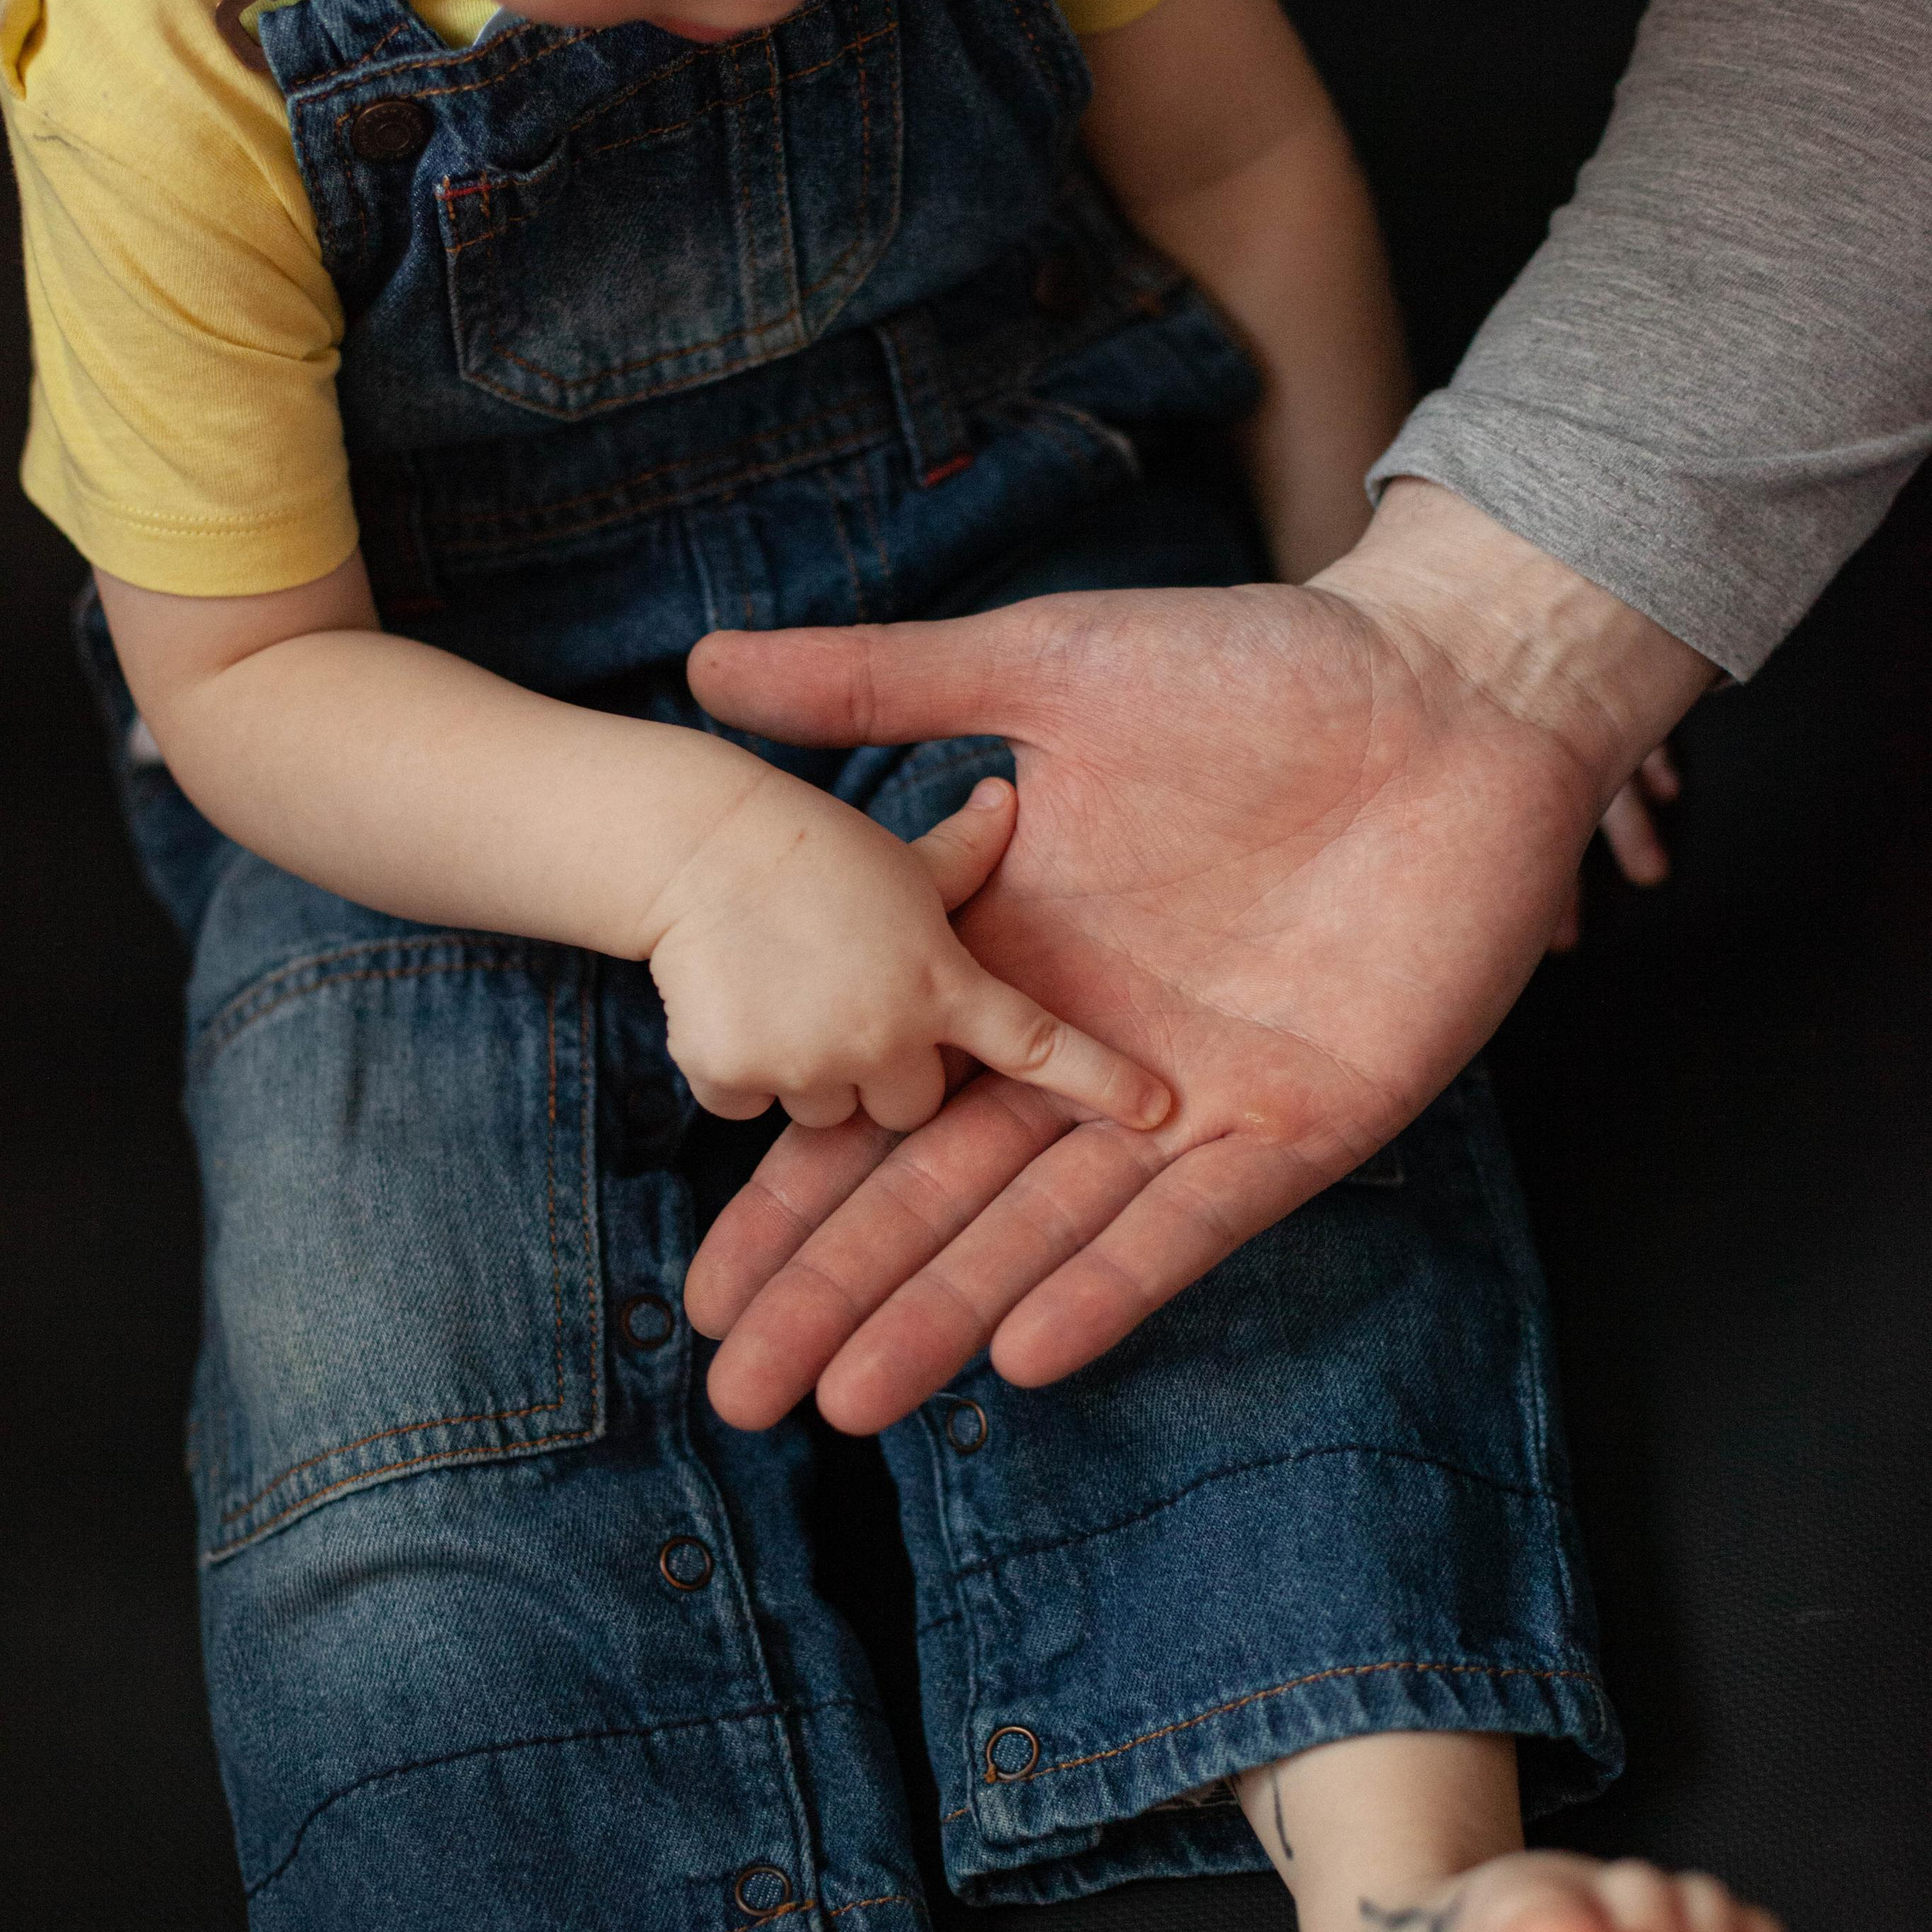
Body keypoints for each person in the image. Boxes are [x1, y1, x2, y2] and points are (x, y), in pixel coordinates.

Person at [2, 1, 1783, 1927]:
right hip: (410, 746)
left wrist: (1400, 651)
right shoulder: (163, 63)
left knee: (1197, 1124)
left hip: (1001, 559)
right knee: (386, 1343)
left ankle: (1405, 1876)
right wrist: (690, 854)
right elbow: (248, 671)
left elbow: (1238, 167)